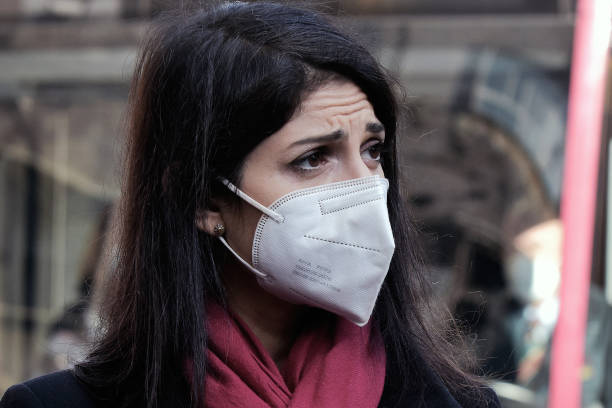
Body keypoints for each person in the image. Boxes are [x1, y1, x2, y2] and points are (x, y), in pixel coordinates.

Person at [1, 2, 500, 407]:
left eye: (372, 151)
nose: (366, 187)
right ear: (203, 199)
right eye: (312, 159)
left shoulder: (457, 402)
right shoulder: (57, 405)